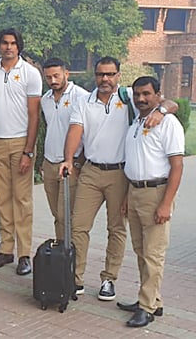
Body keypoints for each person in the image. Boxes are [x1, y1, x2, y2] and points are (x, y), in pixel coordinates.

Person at [59, 56, 178, 300]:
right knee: (78, 226)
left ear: (118, 75)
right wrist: (69, 159)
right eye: (101, 74)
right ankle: (76, 277)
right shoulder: (84, 101)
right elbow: (75, 131)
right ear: (95, 76)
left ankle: (108, 280)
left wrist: (162, 111)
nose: (105, 79)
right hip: (91, 171)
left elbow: (170, 103)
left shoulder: (129, 97)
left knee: (116, 228)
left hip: (120, 174)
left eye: (110, 74)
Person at [118, 76, 184, 328]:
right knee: (141, 251)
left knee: (153, 255)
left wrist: (166, 203)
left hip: (156, 193)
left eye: (146, 94)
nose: (141, 99)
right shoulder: (137, 121)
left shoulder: (167, 123)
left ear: (158, 94)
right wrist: (126, 197)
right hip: (135, 193)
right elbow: (134, 162)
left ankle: (146, 307)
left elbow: (177, 167)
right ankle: (152, 300)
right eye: (137, 94)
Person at [0, 28, 42, 276]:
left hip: (20, 144)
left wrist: (28, 151)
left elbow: (34, 115)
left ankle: (24, 254)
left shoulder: (31, 74)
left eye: (13, 43)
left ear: (19, 46)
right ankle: (6, 250)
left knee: (22, 201)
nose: (8, 47)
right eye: (4, 43)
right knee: (2, 199)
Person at [40, 58, 88, 240]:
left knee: (65, 215)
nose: (53, 81)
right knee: (57, 215)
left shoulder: (82, 97)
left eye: (56, 76)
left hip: (70, 164)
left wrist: (78, 161)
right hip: (50, 163)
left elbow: (88, 133)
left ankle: (70, 254)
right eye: (48, 77)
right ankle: (60, 253)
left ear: (66, 74)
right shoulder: (46, 99)